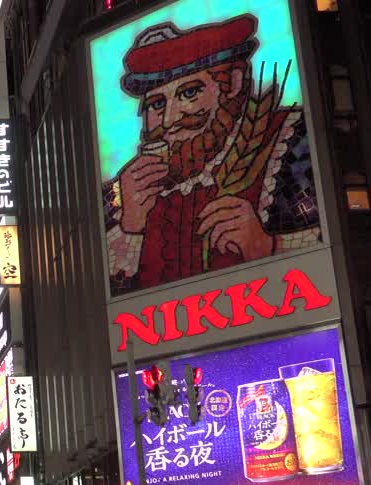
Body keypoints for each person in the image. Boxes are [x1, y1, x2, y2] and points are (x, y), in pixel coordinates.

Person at [101, 13, 322, 296]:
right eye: (156, 105)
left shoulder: (291, 139)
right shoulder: (121, 194)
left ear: (232, 82)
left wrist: (268, 246)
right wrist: (129, 227)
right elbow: (95, 304)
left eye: (189, 93)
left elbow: (343, 241)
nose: (169, 119)